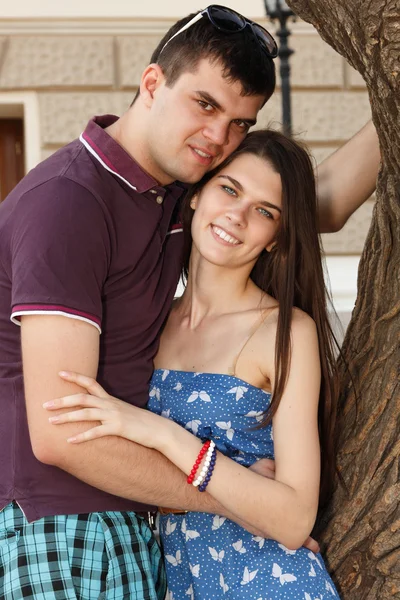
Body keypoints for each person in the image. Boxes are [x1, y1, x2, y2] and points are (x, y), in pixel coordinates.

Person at [0, 5, 379, 599]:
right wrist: (242, 502)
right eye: (205, 105)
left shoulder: (175, 197)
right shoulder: (69, 204)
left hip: (140, 532)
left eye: (239, 124)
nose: (218, 137)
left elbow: (313, 205)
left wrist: (393, 96)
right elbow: (59, 434)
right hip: (63, 526)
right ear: (152, 82)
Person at [46, 129, 341, 599]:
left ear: (275, 239)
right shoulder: (150, 323)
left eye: (264, 212)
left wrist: (161, 434)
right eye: (230, 189)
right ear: (198, 194)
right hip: (170, 579)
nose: (237, 216)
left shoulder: (285, 332)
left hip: (268, 583)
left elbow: (292, 519)